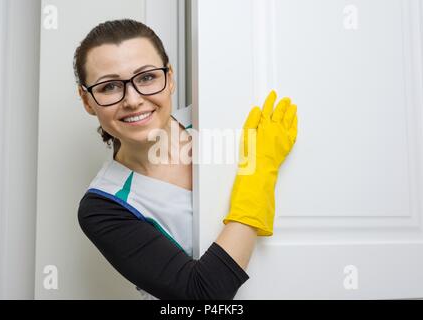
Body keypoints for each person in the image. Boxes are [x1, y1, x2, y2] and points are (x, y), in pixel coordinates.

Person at [75, 18, 298, 300]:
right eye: (109, 87)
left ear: (169, 78)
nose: (132, 100)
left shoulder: (222, 114)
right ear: (87, 101)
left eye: (146, 77)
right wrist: (260, 171)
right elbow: (199, 296)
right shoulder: (104, 206)